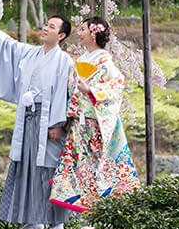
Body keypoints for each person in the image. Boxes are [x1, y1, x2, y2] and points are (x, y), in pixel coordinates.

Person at [0, 0, 73, 229]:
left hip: (50, 122)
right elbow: (2, 40)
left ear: (61, 35)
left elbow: (66, 95)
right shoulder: (30, 53)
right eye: (46, 24)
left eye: (51, 26)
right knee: (27, 167)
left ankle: (58, 221)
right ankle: (33, 221)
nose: (45, 28)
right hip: (28, 118)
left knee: (49, 169)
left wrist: (60, 124)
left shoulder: (64, 61)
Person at [49, 16, 140, 216]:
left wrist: (90, 89)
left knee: (97, 169)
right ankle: (90, 217)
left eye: (82, 29)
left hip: (95, 124)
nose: (79, 33)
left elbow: (117, 85)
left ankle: (99, 217)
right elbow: (72, 91)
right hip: (79, 124)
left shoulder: (104, 59)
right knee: (82, 171)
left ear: (93, 33)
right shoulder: (81, 60)